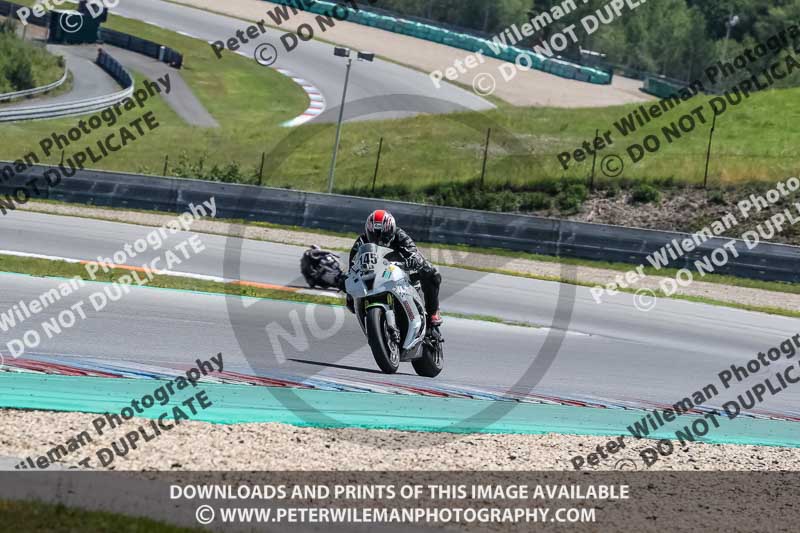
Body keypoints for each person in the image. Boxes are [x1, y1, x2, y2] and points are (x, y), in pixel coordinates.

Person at [341, 210, 442, 327]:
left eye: (383, 235)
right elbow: (352, 267)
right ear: (368, 232)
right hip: (374, 276)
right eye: (374, 235)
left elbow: (413, 252)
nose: (379, 240)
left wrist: (414, 260)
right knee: (350, 301)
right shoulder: (361, 242)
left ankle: (433, 312)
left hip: (401, 273)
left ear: (391, 230)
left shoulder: (400, 236)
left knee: (432, 274)